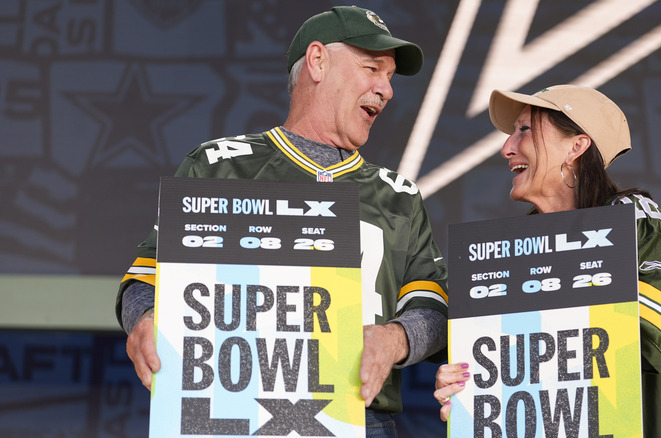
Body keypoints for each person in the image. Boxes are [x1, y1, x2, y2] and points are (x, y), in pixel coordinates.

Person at [115, 6, 448, 437]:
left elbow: (433, 308)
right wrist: (145, 320)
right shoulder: (218, 167)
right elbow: (146, 279)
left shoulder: (399, 196)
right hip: (226, 411)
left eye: (389, 78)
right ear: (317, 61)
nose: (385, 89)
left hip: (359, 418)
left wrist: (394, 339)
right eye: (371, 68)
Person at [433, 85, 661, 437]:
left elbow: (651, 336)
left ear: (576, 146)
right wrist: (471, 389)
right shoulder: (514, 248)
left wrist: (515, 364)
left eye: (524, 130)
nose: (506, 147)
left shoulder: (633, 217)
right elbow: (492, 358)